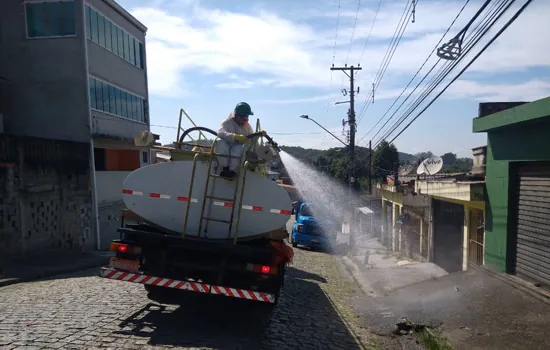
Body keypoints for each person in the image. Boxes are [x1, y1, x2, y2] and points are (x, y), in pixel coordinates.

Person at [216, 102, 256, 178]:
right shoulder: (227, 123)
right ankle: (225, 168)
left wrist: (258, 134)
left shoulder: (247, 126)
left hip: (238, 149)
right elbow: (220, 133)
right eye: (245, 117)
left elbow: (252, 136)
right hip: (226, 148)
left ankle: (233, 171)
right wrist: (235, 137)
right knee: (219, 142)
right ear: (238, 116)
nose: (247, 119)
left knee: (239, 148)